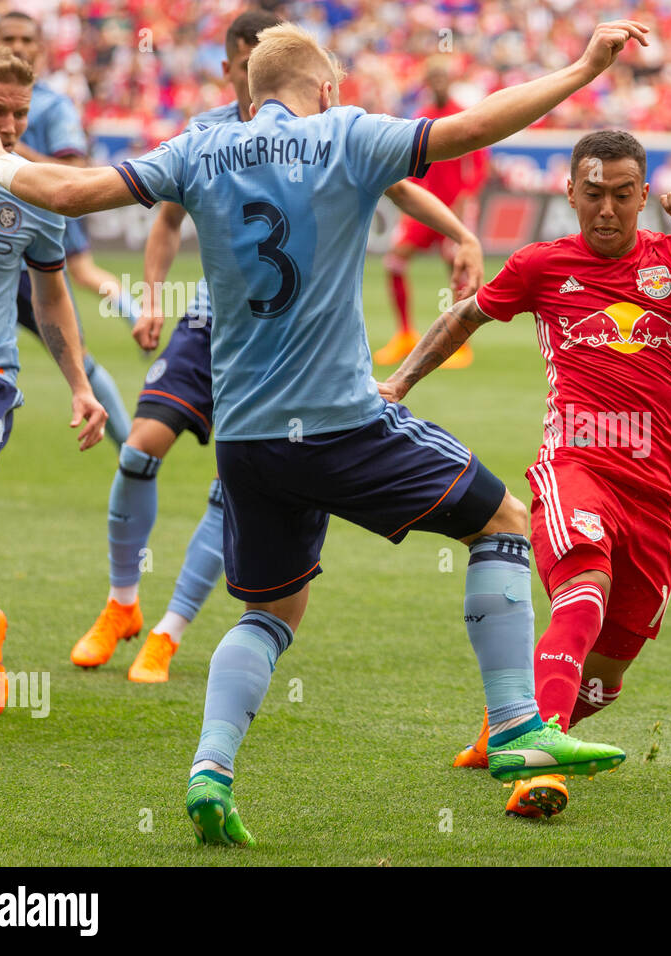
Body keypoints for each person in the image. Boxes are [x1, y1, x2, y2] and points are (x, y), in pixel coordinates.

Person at [0, 18, 651, 844]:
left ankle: (211, 772)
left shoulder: (201, 148)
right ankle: (514, 726)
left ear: (250, 91)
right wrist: (579, 67)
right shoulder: (347, 135)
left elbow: (70, 194)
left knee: (270, 611)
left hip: (248, 439)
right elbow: (475, 127)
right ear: (324, 90)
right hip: (340, 421)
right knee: (502, 521)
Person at [381, 129, 671, 818]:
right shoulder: (542, 265)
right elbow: (465, 316)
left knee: (611, 671)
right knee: (584, 585)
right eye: (592, 194)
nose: (606, 209)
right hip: (574, 466)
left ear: (643, 195)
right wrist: (397, 383)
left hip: (653, 491)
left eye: (622, 195)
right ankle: (540, 769)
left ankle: (508, 725)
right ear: (569, 192)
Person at [82, 9, 489, 684]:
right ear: (232, 68)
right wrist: (151, 295)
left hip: (292, 343)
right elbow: (164, 222)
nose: (248, 78)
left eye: (257, 62)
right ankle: (122, 601)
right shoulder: (206, 135)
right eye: (241, 64)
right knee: (142, 446)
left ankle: (169, 629)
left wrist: (461, 233)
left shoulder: (323, 137)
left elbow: (395, 182)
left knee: (238, 482)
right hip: (214, 322)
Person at [0, 45, 108, 724]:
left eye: (20, 114)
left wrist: (79, 383)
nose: (10, 127)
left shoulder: (36, 193)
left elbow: (51, 300)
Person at [0, 10, 133, 447]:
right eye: (8, 38)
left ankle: (132, 455)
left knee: (78, 358)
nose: (17, 46)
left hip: (36, 243)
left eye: (26, 39)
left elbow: (74, 172)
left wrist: (7, 156)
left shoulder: (53, 106)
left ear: (41, 48)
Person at [372, 58, 488, 370]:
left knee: (457, 267)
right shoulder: (421, 117)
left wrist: (465, 198)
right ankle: (405, 334)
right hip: (426, 208)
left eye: (442, 77)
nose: (438, 83)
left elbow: (478, 167)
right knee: (394, 260)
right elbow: (409, 165)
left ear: (450, 81)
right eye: (432, 78)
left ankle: (459, 343)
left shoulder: (463, 114)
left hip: (454, 209)